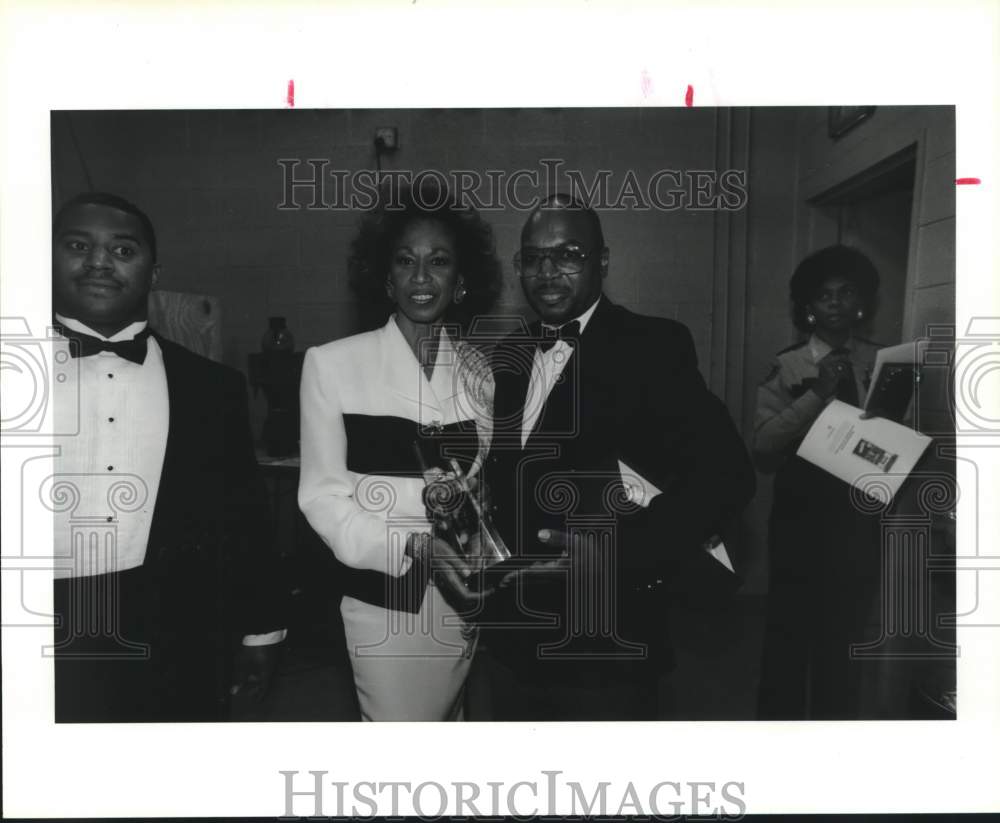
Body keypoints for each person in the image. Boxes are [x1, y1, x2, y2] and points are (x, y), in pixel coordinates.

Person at [430, 194, 756, 721]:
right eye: (533, 257)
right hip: (513, 642)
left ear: (602, 262)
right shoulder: (509, 355)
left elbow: (728, 476)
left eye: (569, 255)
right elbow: (511, 475)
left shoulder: (653, 346)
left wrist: (620, 553)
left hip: (609, 644)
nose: (548, 272)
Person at [50, 192, 286, 722]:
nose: (98, 262)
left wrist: (262, 628)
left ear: (154, 272)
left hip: (177, 630)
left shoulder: (213, 388)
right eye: (78, 245)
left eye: (123, 250)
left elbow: (245, 517)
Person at [297, 183, 502, 721]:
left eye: (438, 262)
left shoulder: (482, 373)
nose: (420, 277)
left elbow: (483, 485)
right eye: (405, 261)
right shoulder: (331, 363)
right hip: (382, 598)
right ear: (385, 278)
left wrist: (482, 540)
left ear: (460, 281)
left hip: (462, 597)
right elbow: (322, 498)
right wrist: (413, 546)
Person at [753, 244, 883, 719]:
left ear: (861, 302)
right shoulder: (787, 365)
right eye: (823, 295)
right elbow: (764, 443)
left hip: (858, 514)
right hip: (801, 515)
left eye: (845, 292)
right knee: (789, 631)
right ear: (806, 307)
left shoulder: (881, 360)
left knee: (844, 633)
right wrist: (820, 392)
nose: (834, 303)